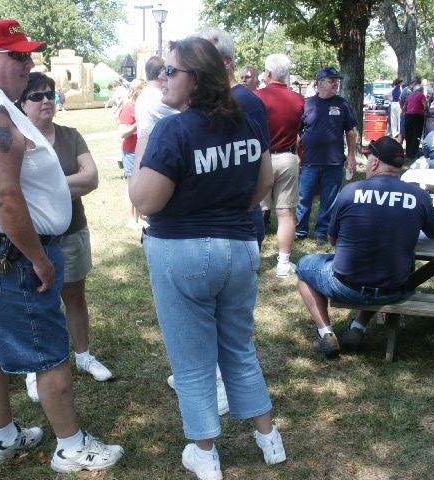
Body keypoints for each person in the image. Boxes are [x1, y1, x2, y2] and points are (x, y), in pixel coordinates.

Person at [0, 19, 123, 473]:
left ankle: (4, 437)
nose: (29, 65)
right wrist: (39, 258)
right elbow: (4, 197)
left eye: (29, 55)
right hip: (8, 254)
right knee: (48, 352)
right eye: (17, 56)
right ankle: (71, 446)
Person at [129, 36, 284, 480]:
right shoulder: (247, 122)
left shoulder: (174, 130)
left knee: (193, 362)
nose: (163, 77)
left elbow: (146, 200)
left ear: (196, 79)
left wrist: (144, 143)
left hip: (183, 250)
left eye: (171, 71)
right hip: (240, 248)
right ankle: (269, 438)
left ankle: (204, 453)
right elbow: (262, 184)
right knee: (238, 347)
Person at [295, 136, 434, 357]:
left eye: (368, 158)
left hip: (346, 286)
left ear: (375, 163)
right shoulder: (419, 196)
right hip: (393, 289)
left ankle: (326, 332)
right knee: (380, 263)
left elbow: (333, 240)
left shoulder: (349, 191)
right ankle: (358, 327)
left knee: (304, 266)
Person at [16, 72, 113, 402]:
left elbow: (93, 178)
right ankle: (35, 368)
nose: (45, 100)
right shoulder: (17, 139)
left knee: (75, 295)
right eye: (36, 96)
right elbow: (15, 190)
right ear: (22, 103)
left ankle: (83, 355)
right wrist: (68, 184)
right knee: (36, 303)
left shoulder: (71, 136)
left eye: (50, 94)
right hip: (34, 239)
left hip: (72, 231)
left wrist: (44, 187)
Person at [198, 27, 270, 251]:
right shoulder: (211, 100)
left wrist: (243, 208)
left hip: (241, 220)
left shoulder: (246, 102)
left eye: (205, 58)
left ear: (227, 62)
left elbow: (261, 169)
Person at [255, 54, 304, 277]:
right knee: (285, 213)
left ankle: (252, 258)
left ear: (268, 73)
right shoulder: (298, 99)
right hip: (287, 157)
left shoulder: (257, 97)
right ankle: (283, 264)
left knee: (254, 208)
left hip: (261, 157)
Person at [296, 66, 358, 246]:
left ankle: (322, 231)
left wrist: (352, 156)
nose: (335, 84)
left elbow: (351, 131)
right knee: (304, 197)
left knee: (329, 200)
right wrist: (296, 154)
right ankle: (300, 230)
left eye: (336, 81)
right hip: (309, 161)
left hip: (334, 160)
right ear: (320, 83)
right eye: (331, 81)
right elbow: (298, 133)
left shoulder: (342, 104)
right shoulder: (307, 104)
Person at [118, 78, 146, 228]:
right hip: (130, 152)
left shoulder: (143, 107)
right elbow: (122, 132)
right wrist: (137, 124)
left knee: (140, 185)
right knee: (131, 185)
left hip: (141, 150)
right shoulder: (128, 108)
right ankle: (130, 219)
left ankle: (139, 217)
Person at [135, 56, 178, 138]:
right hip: (155, 146)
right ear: (161, 72)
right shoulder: (158, 98)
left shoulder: (144, 95)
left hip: (145, 144)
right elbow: (187, 118)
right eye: (167, 70)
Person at [403, 84, 426, 158]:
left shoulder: (409, 96)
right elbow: (425, 104)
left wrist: (405, 113)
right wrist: (427, 111)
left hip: (408, 116)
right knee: (416, 134)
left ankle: (408, 153)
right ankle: (414, 153)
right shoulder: (421, 95)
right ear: (421, 90)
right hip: (418, 116)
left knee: (409, 135)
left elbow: (404, 107)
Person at [399, 76, 422, 143]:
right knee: (403, 131)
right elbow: (401, 100)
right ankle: (399, 147)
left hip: (416, 114)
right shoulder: (407, 90)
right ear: (415, 82)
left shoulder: (420, 90)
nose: (419, 84)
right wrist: (403, 110)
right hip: (406, 113)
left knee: (413, 131)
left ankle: (412, 147)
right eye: (418, 82)